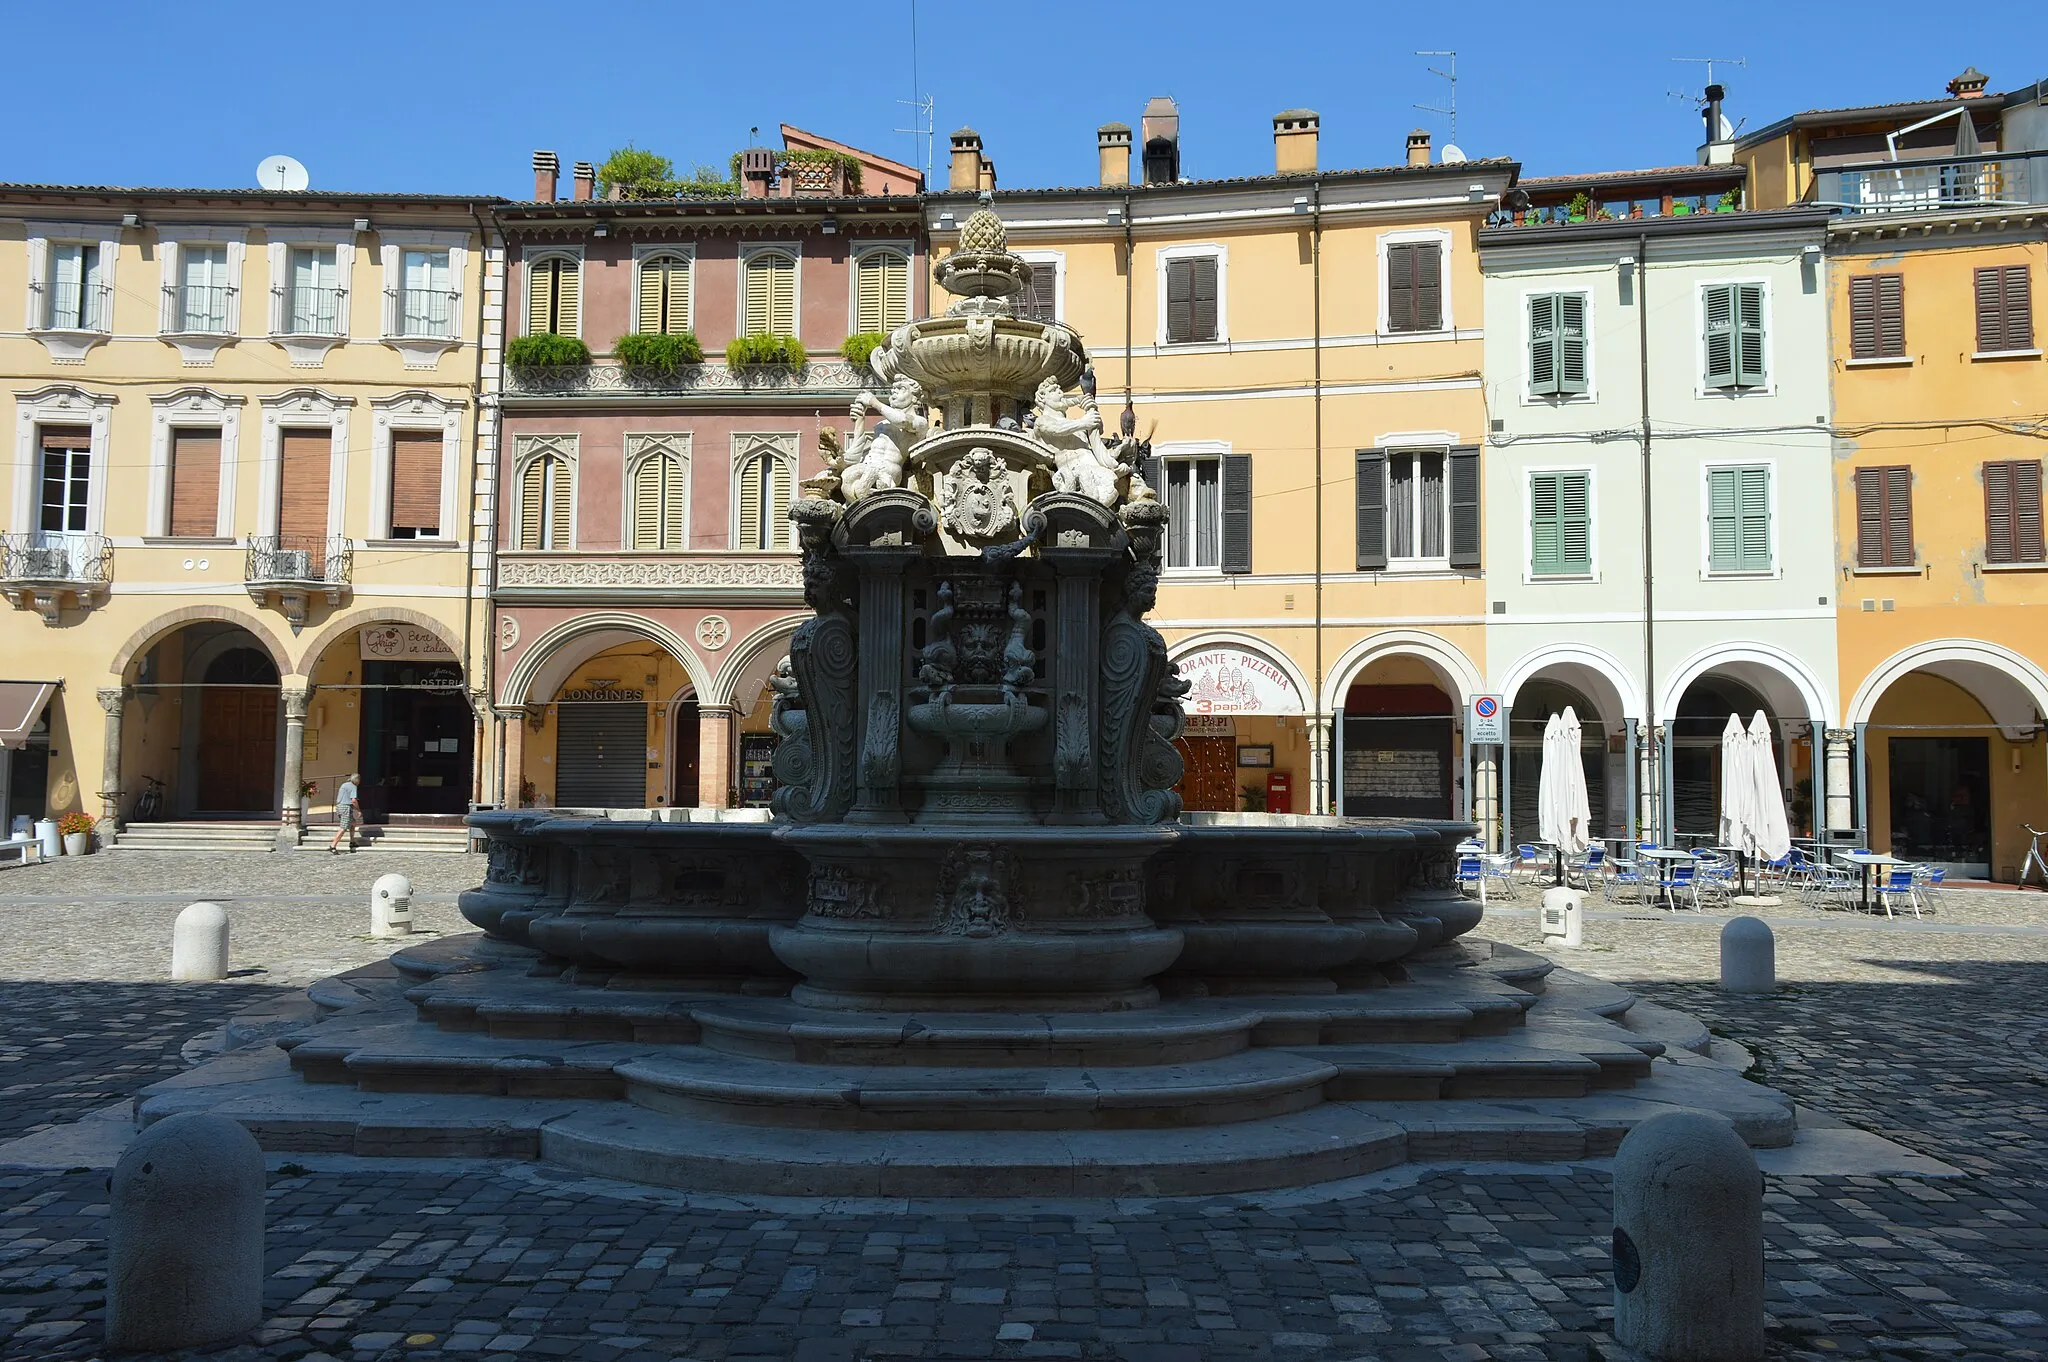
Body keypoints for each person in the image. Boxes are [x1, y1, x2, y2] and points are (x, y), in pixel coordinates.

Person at [328, 772, 361, 854]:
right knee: (343, 828)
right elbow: (353, 800)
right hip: (346, 808)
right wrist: (359, 810)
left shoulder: (344, 784)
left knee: (353, 823)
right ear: (357, 780)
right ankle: (333, 845)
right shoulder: (353, 786)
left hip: (339, 807)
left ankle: (352, 841)